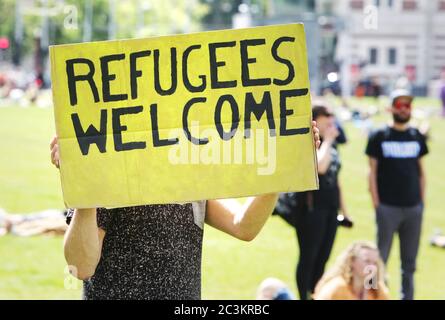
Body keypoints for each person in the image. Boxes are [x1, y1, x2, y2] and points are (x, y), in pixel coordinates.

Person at [49, 122, 321, 300]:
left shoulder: (188, 175)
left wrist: (282, 170)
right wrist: (84, 188)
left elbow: (244, 226)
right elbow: (81, 268)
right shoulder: (110, 170)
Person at [366, 89, 428, 300]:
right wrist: (377, 204)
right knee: (377, 258)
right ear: (391, 108)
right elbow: (372, 172)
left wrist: (421, 202)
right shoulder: (379, 136)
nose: (404, 109)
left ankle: (407, 297)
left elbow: (421, 172)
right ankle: (371, 295)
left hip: (413, 208)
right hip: (387, 208)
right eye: (400, 105)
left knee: (409, 263)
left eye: (407, 106)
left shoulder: (416, 135)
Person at [294, 104, 352, 300]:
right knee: (309, 257)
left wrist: (345, 211)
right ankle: (304, 295)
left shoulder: (332, 143)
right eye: (326, 115)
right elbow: (320, 167)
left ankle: (316, 295)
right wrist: (327, 140)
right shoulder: (311, 142)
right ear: (316, 119)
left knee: (323, 257)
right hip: (311, 209)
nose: (330, 119)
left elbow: (336, 179)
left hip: (330, 208)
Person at [313, 241, 389, 300]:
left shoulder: (377, 291)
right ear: (352, 261)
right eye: (367, 261)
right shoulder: (337, 289)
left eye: (375, 263)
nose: (371, 267)